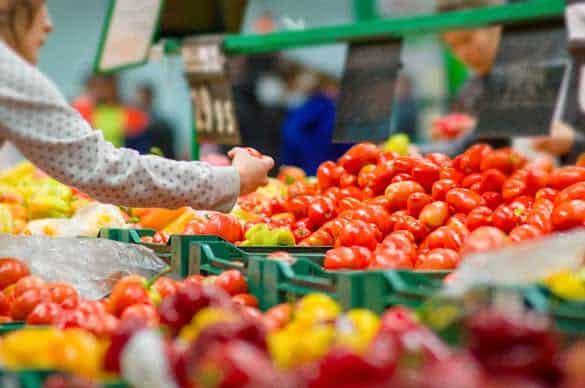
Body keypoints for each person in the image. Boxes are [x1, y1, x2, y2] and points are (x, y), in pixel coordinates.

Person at [0, 0, 273, 212]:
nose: (48, 24)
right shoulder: (8, 71)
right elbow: (100, 167)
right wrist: (232, 180)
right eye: (39, 6)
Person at [418, 0, 585, 163]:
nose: (463, 53)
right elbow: (485, 144)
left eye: (467, 39)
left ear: (498, 26)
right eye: (453, 47)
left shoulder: (550, 67)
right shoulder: (478, 87)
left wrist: (574, 142)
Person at [280, 70, 352, 176]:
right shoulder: (333, 112)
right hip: (329, 174)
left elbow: (289, 136)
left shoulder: (301, 109)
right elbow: (348, 148)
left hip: (299, 174)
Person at [134, 83, 176, 159]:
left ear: (151, 98)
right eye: (141, 97)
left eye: (145, 97)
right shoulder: (131, 123)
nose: (142, 100)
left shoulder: (162, 124)